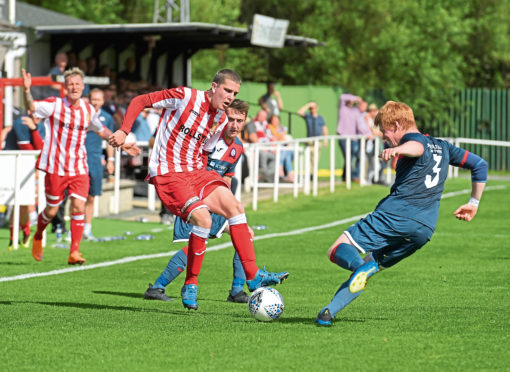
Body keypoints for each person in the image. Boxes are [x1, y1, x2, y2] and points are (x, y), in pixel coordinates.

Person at [109, 69, 289, 311]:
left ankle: (253, 276)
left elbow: (205, 150)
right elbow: (140, 101)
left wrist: (215, 183)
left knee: (235, 207)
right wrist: (124, 131)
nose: (229, 97)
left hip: (196, 172)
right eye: (227, 90)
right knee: (203, 219)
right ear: (214, 87)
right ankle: (190, 283)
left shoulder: (222, 118)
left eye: (234, 93)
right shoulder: (185, 97)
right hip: (169, 173)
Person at [315, 101, 488, 326]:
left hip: (395, 215)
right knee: (369, 267)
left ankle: (359, 268)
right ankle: (328, 313)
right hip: (423, 229)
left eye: (386, 134)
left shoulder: (412, 141)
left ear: (397, 125)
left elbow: (417, 147)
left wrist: (398, 149)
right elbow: (480, 165)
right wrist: (473, 202)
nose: (384, 139)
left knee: (337, 249)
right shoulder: (445, 147)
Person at [22, 67, 140, 265]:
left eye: (77, 84)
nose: (74, 87)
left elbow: (101, 130)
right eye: (70, 84)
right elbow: (32, 107)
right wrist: (26, 91)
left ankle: (74, 251)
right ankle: (39, 233)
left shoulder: (87, 110)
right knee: (51, 211)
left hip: (79, 167)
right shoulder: (54, 105)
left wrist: (122, 143)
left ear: (82, 87)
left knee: (78, 205)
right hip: (56, 167)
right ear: (65, 88)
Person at [144, 99, 253, 303]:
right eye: (230, 119)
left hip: (214, 201)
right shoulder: (207, 140)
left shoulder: (237, 147)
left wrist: (228, 206)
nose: (234, 125)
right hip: (194, 198)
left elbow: (226, 179)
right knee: (202, 243)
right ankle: (236, 291)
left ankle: (158, 287)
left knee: (242, 234)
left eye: (240, 120)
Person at [4, 113, 45, 249]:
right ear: (29, 111)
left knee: (24, 203)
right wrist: (34, 130)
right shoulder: (20, 123)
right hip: (12, 163)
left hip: (27, 164)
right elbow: (28, 149)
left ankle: (25, 233)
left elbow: (40, 149)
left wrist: (34, 129)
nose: (39, 116)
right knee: (16, 203)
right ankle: (13, 238)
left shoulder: (41, 125)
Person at [83, 88, 115, 241]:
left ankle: (87, 229)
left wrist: (110, 160)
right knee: (77, 196)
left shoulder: (107, 117)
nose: (95, 102)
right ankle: (71, 229)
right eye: (93, 99)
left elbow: (109, 140)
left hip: (95, 158)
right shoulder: (82, 114)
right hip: (79, 157)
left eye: (98, 99)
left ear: (103, 101)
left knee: (91, 195)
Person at [336, 94, 371, 182]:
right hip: (343, 137)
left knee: (356, 157)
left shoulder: (355, 111)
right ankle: (350, 177)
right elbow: (342, 97)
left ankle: (349, 177)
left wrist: (368, 134)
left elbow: (361, 126)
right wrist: (356, 98)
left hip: (353, 139)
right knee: (349, 157)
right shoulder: (342, 108)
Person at [297, 101, 329, 177]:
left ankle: (313, 174)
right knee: (308, 158)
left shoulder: (320, 118)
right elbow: (299, 112)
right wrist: (308, 105)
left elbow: (324, 129)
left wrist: (325, 139)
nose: (312, 109)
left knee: (315, 158)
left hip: (318, 140)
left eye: (314, 107)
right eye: (311, 108)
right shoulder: (308, 116)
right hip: (309, 140)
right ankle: (309, 173)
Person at [247, 110, 276, 182]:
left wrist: (274, 146)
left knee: (275, 157)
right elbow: (252, 137)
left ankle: (267, 175)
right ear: (258, 115)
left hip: (266, 147)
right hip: (255, 147)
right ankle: (263, 176)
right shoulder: (252, 123)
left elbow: (271, 137)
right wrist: (262, 147)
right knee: (264, 155)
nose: (263, 118)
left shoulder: (265, 124)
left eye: (264, 117)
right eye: (262, 116)